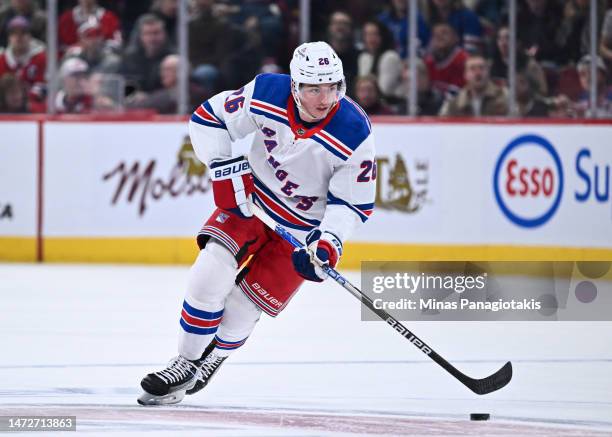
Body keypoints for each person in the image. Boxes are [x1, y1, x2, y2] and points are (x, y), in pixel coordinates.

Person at [137, 41, 376, 406]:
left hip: (301, 230)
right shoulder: (267, 91)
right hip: (254, 202)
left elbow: (352, 202)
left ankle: (214, 357)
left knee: (242, 308)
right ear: (295, 86)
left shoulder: (354, 131)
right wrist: (223, 167)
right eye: (314, 88)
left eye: (332, 86)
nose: (324, 98)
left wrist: (328, 241)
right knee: (208, 273)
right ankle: (185, 362)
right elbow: (209, 117)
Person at [439, 54, 508, 117]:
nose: (478, 73)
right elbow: (442, 124)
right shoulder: (455, 103)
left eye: (481, 68)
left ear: (488, 72)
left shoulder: (504, 96)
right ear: (465, 74)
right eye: (472, 69)